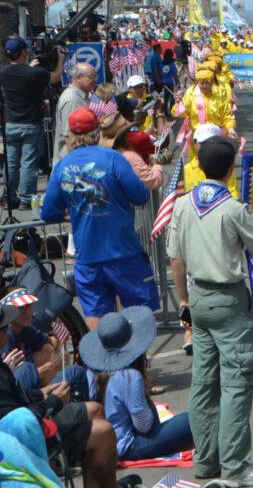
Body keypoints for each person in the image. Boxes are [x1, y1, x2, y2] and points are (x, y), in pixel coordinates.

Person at [167, 137, 253, 485]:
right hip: (228, 299)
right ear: (230, 167)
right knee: (235, 384)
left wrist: (184, 301)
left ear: (199, 165)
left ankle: (206, 462)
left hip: (198, 297)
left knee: (204, 383)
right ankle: (235, 466)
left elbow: (176, 259)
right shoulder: (233, 209)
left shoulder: (183, 205)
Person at [39, 108, 155, 330]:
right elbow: (140, 196)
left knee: (96, 315)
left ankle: (105, 363)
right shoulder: (113, 158)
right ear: (98, 132)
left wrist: (73, 210)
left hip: (88, 256)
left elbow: (48, 213)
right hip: (123, 251)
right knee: (137, 313)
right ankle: (135, 362)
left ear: (70, 137)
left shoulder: (62, 166)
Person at [0, 300, 120, 488]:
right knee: (104, 431)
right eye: (3, 327)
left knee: (95, 409)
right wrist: (54, 401)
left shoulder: (3, 364)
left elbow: (19, 400)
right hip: (23, 441)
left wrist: (42, 392)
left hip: (32, 417)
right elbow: (16, 423)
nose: (7, 328)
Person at [81, 306, 194, 462]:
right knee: (193, 418)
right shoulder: (130, 376)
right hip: (127, 446)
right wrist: (146, 403)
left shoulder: (91, 372)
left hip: (104, 442)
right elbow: (144, 426)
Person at [0, 37, 64, 209]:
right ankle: (26, 199)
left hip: (11, 123)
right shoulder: (35, 73)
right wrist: (61, 59)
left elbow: (19, 76)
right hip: (31, 123)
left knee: (11, 162)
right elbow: (56, 77)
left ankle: (9, 197)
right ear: (23, 52)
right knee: (29, 162)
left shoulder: (4, 72)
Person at [54, 61, 97, 163]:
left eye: (95, 76)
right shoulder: (72, 100)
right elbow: (69, 136)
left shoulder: (82, 95)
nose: (95, 80)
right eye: (91, 77)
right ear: (78, 78)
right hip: (72, 162)